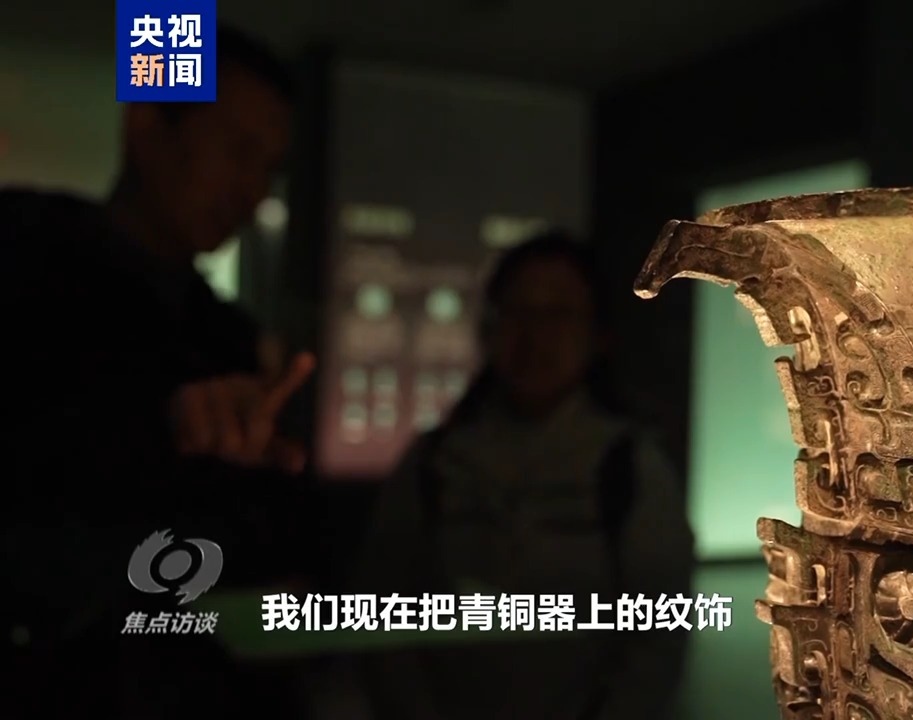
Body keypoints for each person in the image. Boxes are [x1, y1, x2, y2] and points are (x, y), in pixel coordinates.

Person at [1, 26, 311, 718]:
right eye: (238, 151)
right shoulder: (22, 254)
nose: (253, 190)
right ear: (146, 123)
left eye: (269, 167)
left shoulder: (227, 334)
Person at [352, 232, 696, 719]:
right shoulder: (434, 461)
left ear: (599, 335)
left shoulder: (628, 464)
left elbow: (657, 637)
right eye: (517, 312)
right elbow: (383, 609)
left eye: (558, 314)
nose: (534, 335)